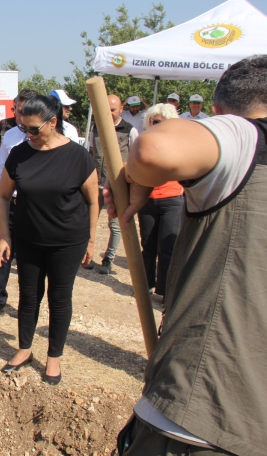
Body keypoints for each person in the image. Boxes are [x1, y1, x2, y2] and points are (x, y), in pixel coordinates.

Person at [111, 55, 267, 456]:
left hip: (207, 416)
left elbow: (153, 149)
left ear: (216, 111)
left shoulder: (246, 134)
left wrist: (138, 176)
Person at [0, 94, 98, 385]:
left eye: (34, 129)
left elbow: (93, 202)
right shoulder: (19, 153)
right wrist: (5, 236)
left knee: (59, 298)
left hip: (68, 241)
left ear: (53, 122)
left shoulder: (78, 157)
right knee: (29, 296)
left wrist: (90, 240)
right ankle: (24, 349)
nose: (28, 135)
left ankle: (54, 357)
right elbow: (3, 196)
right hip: (28, 239)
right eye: (24, 128)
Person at [0, 88, 38, 322]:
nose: (19, 116)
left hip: (33, 206)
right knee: (2, 252)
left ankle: (28, 305)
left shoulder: (47, 136)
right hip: (9, 204)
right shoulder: (11, 136)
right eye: (17, 110)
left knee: (29, 257)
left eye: (24, 111)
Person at [137, 104, 183, 301]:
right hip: (148, 199)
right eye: (154, 121)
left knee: (168, 247)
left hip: (172, 199)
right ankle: (146, 285)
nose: (156, 124)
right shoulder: (143, 141)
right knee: (148, 245)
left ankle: (166, 290)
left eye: (161, 121)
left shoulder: (179, 143)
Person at [88, 94, 138, 274]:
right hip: (96, 182)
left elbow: (134, 157)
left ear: (121, 110)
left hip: (118, 184)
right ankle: (87, 255)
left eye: (113, 109)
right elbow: (91, 151)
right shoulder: (96, 127)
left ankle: (108, 259)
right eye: (106, 109)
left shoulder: (129, 130)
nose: (108, 113)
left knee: (115, 225)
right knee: (89, 220)